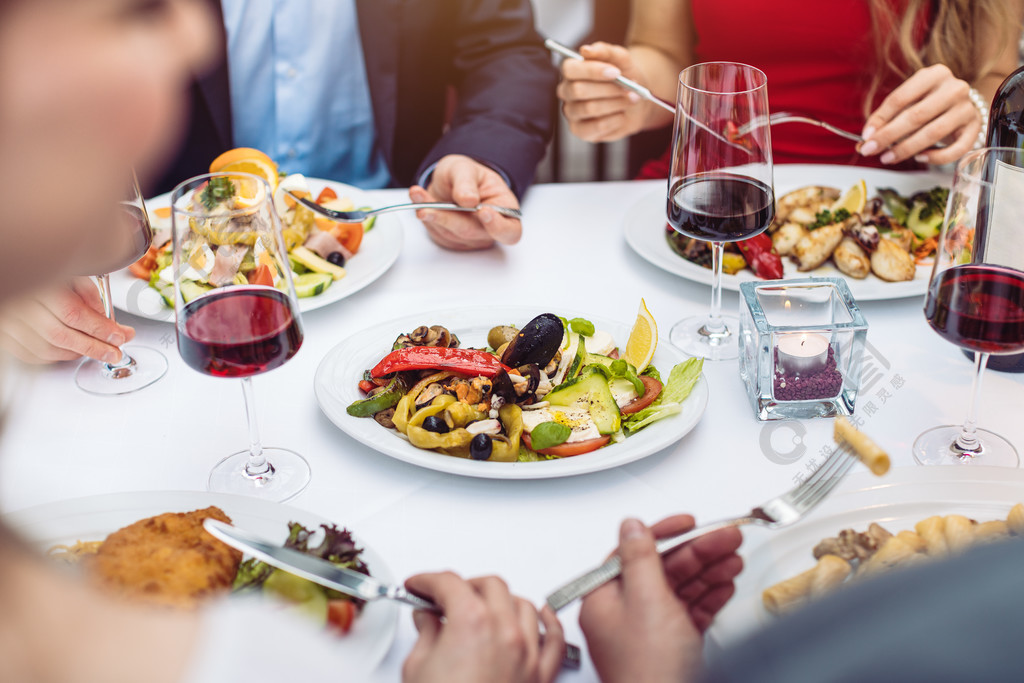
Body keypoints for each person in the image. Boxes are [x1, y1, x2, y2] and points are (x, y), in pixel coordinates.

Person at [0, 0, 558, 365]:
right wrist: (23, 255)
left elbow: (504, 49)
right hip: (149, 306)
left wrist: (475, 154)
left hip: (400, 265)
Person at [557, 0, 1023, 173]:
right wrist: (633, 92)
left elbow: (996, 74)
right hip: (714, 191)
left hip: (889, 210)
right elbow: (662, 52)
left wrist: (976, 108)